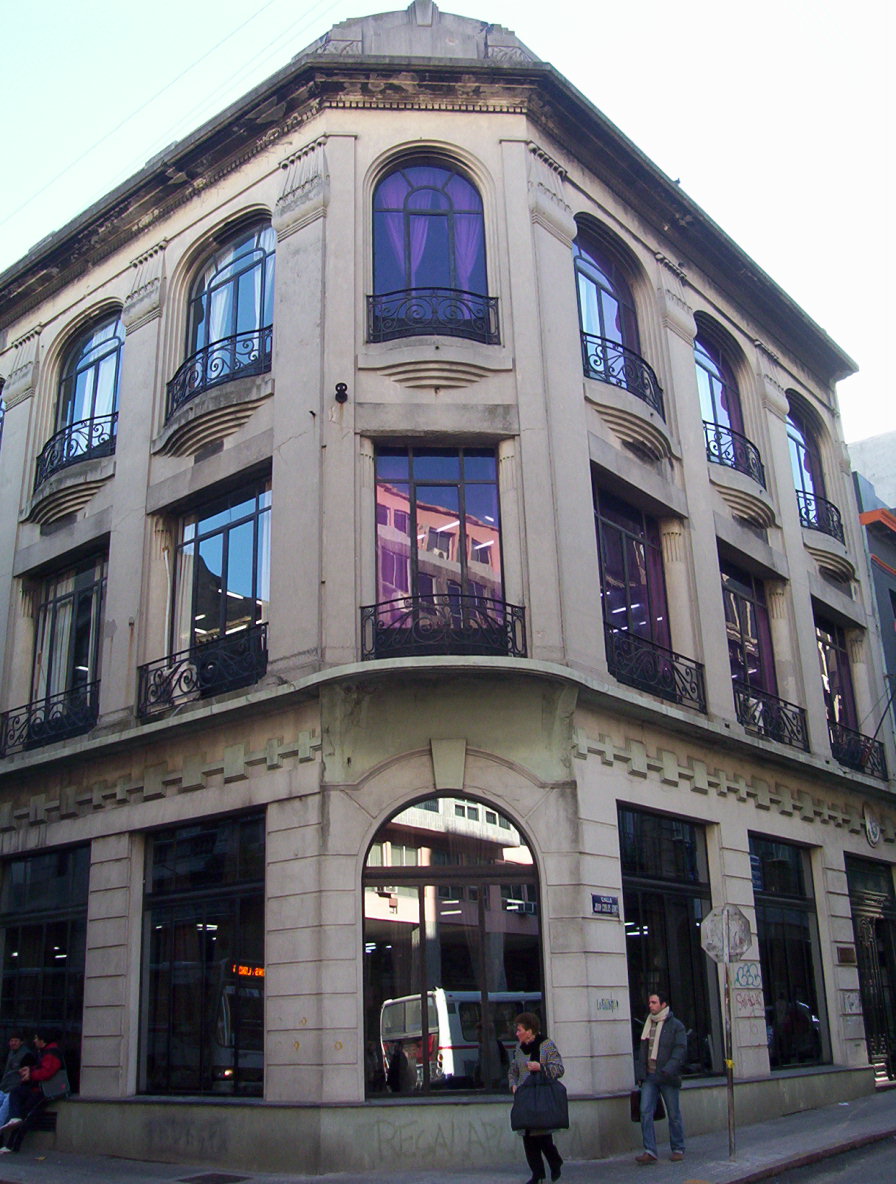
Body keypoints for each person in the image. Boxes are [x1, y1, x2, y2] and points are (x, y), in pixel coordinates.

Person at [508, 1011, 564, 1184]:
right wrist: (513, 1084)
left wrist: (540, 1067)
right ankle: (537, 1174)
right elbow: (513, 1070)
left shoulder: (546, 1045)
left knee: (542, 1136)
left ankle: (555, 1162)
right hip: (524, 1097)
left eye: (519, 1030)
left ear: (530, 1031)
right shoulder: (519, 1049)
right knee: (527, 1136)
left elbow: (559, 1069)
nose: (517, 1033)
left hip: (541, 1096)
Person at [634, 989, 686, 1165]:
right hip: (650, 1076)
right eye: (649, 1002)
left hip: (667, 1077)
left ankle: (678, 1148)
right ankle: (650, 1150)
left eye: (654, 1002)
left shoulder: (675, 1026)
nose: (650, 1005)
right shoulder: (648, 1024)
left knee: (673, 1113)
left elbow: (680, 1050)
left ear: (663, 1004)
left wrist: (669, 1069)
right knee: (645, 1111)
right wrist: (640, 1074)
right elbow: (643, 1052)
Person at [0, 1027, 69, 1152]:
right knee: (17, 1094)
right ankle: (14, 1121)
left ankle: (12, 1145)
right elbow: (40, 1068)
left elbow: (47, 1072)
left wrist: (31, 1074)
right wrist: (30, 1070)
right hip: (37, 1089)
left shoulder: (51, 1053)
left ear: (43, 1040)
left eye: (36, 1038)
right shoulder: (44, 1052)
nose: (34, 1041)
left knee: (27, 1115)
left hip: (44, 1092)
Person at [0, 1034, 35, 1128]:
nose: (13, 1043)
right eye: (11, 1041)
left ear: (21, 1042)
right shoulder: (10, 1053)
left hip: (15, 1089)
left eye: (16, 1041)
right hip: (4, 1088)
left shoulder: (27, 1055)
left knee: (4, 1110)